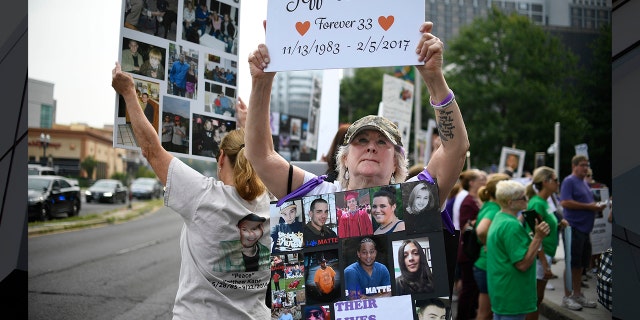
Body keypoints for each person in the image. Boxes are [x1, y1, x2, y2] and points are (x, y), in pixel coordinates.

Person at [245, 20, 468, 286]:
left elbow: (456, 149)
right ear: (344, 159)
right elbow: (260, 155)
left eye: (382, 142)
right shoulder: (316, 194)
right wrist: (262, 81)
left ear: (397, 164)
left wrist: (434, 79)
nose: (371, 146)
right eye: (361, 140)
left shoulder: (416, 198)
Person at [111, 62, 272, 318]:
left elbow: (151, 149)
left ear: (220, 159)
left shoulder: (202, 196)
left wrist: (129, 91)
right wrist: (248, 124)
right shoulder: (268, 201)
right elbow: (266, 154)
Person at [486, 180, 550, 319]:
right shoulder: (511, 225)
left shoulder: (499, 217)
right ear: (510, 202)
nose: (527, 200)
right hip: (512, 293)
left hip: (503, 290)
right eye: (523, 197)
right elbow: (522, 264)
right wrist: (538, 237)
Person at [559, 155, 605, 310]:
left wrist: (596, 206)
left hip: (585, 230)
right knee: (571, 263)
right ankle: (567, 297)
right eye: (582, 165)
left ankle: (577, 295)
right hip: (573, 228)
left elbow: (586, 203)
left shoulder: (583, 182)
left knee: (579, 265)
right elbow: (565, 202)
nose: (586, 168)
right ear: (574, 166)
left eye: (587, 165)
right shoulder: (569, 181)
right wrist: (591, 207)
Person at [524, 166, 564, 319]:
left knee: (537, 298)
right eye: (555, 180)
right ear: (545, 182)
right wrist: (545, 263)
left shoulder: (544, 202)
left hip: (544, 255)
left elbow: (544, 226)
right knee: (534, 299)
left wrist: (559, 224)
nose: (558, 183)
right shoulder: (537, 203)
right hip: (540, 256)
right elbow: (534, 234)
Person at [472, 173, 511, 320]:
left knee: (486, 312)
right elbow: (481, 230)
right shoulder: (495, 209)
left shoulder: (489, 205)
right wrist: (488, 244)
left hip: (484, 265)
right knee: (485, 313)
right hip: (487, 265)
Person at [456, 169, 486, 320]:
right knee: (468, 290)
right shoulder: (468, 200)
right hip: (468, 251)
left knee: (472, 289)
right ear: (472, 183)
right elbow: (465, 225)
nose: (484, 181)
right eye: (481, 179)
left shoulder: (474, 199)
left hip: (472, 251)